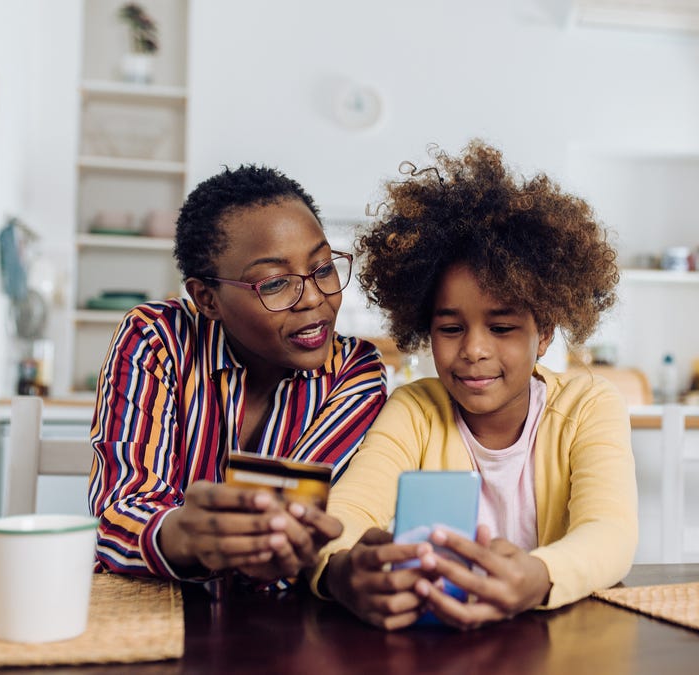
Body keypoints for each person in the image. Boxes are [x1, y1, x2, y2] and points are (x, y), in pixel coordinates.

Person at [312, 140, 637, 630]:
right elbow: (349, 511)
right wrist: (341, 570)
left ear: (544, 332)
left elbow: (609, 533)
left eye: (502, 328)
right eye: (450, 328)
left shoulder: (589, 405)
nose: (474, 350)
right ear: (425, 329)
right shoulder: (414, 410)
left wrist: (539, 576)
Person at [88, 165, 387, 584]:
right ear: (207, 298)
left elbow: (296, 527)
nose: (315, 299)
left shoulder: (354, 371)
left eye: (322, 268)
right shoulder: (158, 340)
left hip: (274, 630)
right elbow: (118, 515)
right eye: (274, 283)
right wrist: (186, 537)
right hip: (145, 613)